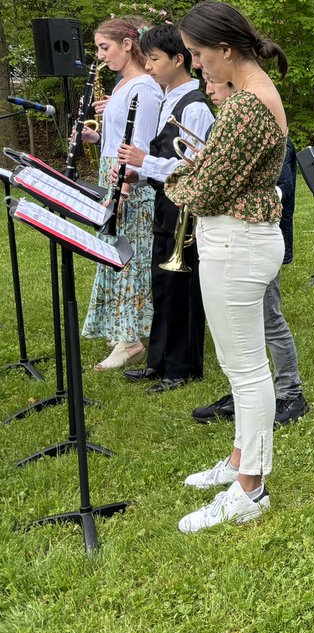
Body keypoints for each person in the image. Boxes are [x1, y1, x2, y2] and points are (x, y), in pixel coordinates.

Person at [167, 1, 288, 533]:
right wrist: (198, 174)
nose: (196, 65)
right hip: (238, 239)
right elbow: (214, 177)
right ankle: (240, 459)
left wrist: (178, 180)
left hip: (238, 243)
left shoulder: (247, 108)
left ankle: (250, 488)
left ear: (225, 49)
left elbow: (204, 190)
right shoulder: (247, 97)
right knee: (238, 364)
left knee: (246, 369)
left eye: (198, 54)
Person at [189, 77, 311, 427]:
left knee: (269, 317)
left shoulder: (265, 132)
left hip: (255, 239)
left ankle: (291, 393)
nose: (209, 90)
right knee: (241, 328)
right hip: (231, 238)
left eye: (213, 83)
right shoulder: (228, 129)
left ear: (235, 89)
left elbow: (280, 192)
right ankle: (246, 392)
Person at [116, 23, 215, 391]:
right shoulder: (167, 98)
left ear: (178, 60)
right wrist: (137, 174)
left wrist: (144, 161)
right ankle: (159, 361)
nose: (148, 66)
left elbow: (195, 166)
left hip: (184, 206)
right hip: (165, 201)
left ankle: (182, 368)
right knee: (162, 283)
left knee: (181, 287)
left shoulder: (196, 106)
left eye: (154, 59)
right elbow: (163, 158)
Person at [81, 17, 165, 371]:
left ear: (127, 44)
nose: (101, 56)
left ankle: (132, 339)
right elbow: (121, 138)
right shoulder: (123, 84)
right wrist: (97, 138)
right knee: (115, 254)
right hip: (113, 175)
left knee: (130, 258)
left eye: (105, 47)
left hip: (130, 184)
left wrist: (124, 190)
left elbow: (141, 146)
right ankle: (122, 327)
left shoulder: (143, 87)